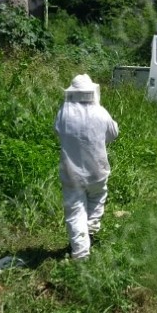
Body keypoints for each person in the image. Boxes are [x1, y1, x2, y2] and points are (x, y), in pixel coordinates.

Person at [54, 74, 119, 260]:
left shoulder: (64, 113)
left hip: (71, 172)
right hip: (97, 169)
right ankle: (89, 231)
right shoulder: (101, 112)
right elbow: (113, 133)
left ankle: (81, 252)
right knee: (97, 198)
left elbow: (57, 131)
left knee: (75, 211)